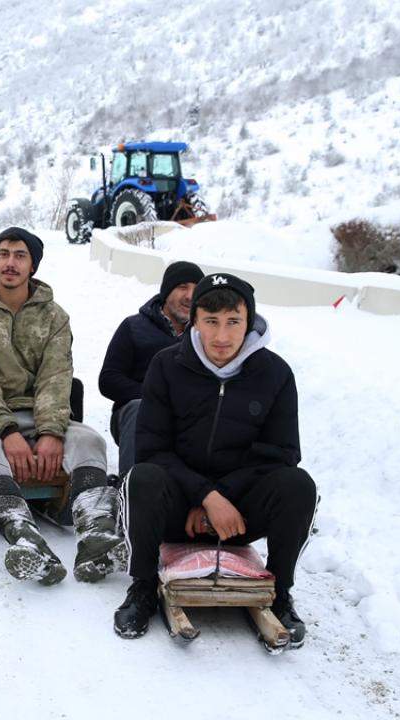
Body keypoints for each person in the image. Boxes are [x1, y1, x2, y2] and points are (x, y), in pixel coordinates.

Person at [113, 273, 318, 646]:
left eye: (233, 323)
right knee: (141, 477)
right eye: (211, 322)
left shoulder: (275, 374)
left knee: (298, 485)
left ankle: (280, 590)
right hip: (178, 511)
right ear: (195, 320)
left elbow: (283, 453)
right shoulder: (166, 365)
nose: (222, 337)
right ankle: (142, 586)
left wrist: (223, 498)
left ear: (249, 322)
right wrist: (204, 497)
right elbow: (152, 448)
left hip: (238, 515)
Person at [0, 227, 124, 585]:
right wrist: (8, 431)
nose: (10, 263)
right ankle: (23, 536)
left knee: (91, 441)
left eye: (19, 256)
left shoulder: (54, 316)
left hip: (39, 410)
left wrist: (50, 432)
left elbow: (56, 377)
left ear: (33, 266)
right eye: (4, 254)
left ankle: (95, 535)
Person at [99, 261, 203, 476]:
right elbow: (108, 379)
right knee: (140, 408)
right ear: (166, 292)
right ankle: (131, 491)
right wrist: (156, 397)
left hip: (190, 419)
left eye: (196, 289)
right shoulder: (134, 327)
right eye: (182, 287)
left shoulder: (206, 335)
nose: (189, 296)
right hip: (137, 415)